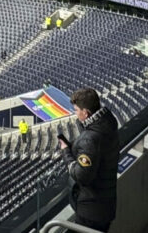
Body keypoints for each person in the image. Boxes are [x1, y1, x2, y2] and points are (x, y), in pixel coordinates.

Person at [59, 87, 119, 232]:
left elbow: (82, 176)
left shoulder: (90, 139)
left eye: (76, 110)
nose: (75, 113)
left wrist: (66, 151)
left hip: (91, 210)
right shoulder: (108, 121)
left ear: (85, 113)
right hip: (107, 204)